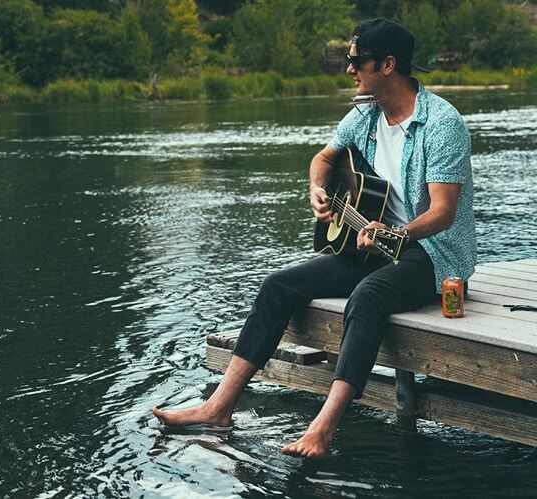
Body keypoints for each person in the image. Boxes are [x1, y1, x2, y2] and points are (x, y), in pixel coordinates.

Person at [153, 18, 477, 458]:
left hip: (431, 254)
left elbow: (442, 213)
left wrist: (396, 231)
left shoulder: (441, 123)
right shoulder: (364, 114)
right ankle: (218, 407)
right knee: (277, 285)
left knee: (367, 296)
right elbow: (323, 158)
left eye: (356, 61)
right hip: (369, 242)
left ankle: (322, 430)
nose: (349, 70)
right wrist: (317, 190)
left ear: (387, 64)